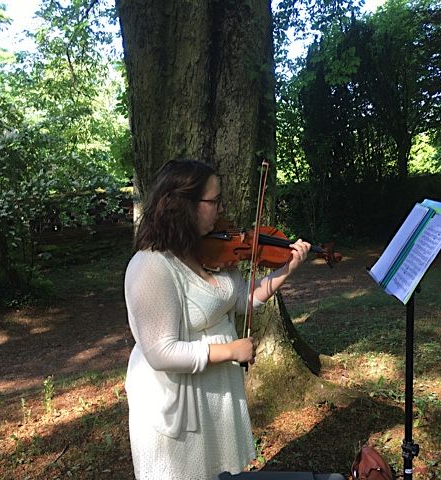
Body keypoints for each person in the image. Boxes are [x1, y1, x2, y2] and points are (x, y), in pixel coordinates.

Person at [124, 159, 311, 480]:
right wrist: (231, 351)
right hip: (179, 409)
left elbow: (242, 300)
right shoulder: (151, 267)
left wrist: (285, 271)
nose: (222, 208)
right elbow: (159, 352)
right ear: (182, 205)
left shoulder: (211, 250)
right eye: (214, 201)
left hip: (215, 396)